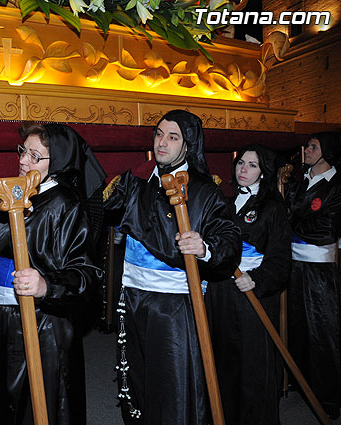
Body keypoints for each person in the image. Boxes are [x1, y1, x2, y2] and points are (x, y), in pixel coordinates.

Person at [104, 109, 241, 425]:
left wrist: (205, 247)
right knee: (136, 380)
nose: (162, 142)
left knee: (173, 386)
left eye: (173, 136)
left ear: (188, 144)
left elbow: (229, 239)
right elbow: (104, 212)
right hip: (133, 297)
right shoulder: (136, 181)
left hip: (174, 306)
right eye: (159, 134)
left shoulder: (205, 190)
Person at [0, 122, 106, 425]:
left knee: (39, 405)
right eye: (23, 151)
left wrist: (47, 285)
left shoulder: (65, 204)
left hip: (43, 324)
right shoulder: (10, 192)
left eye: (35, 156)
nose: (23, 161)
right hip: (0, 314)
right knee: (2, 400)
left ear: (56, 161)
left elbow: (85, 275)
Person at [205, 144, 291, 425]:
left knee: (252, 367)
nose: (243, 169)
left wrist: (257, 279)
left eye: (252, 165)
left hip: (252, 296)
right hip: (221, 294)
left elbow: (280, 261)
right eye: (241, 163)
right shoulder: (225, 203)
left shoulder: (273, 209)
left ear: (263, 172)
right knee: (222, 361)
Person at [286, 131, 341, 420]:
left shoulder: (336, 186)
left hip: (321, 270)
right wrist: (298, 222)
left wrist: (294, 224)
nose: (305, 150)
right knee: (298, 326)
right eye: (306, 145)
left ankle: (328, 396)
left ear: (326, 151)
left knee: (323, 330)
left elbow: (325, 231)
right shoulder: (299, 182)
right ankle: (301, 382)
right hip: (294, 266)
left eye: (313, 146)